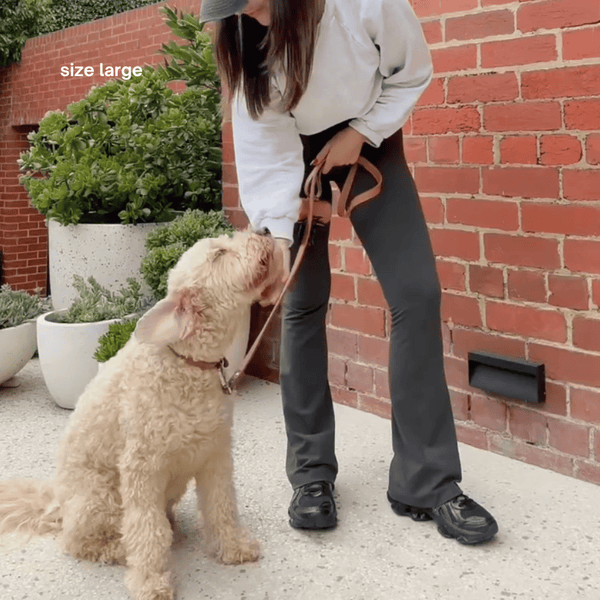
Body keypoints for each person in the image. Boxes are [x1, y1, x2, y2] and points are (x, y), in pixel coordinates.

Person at [200, 0, 499, 545]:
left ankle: (427, 481)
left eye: (261, 4)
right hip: (292, 159)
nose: (255, 18)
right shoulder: (243, 36)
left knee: (416, 292)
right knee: (303, 302)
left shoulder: (363, 4)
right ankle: (311, 476)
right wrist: (282, 223)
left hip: (369, 139)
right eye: (241, 10)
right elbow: (263, 142)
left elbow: (411, 71)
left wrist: (361, 131)